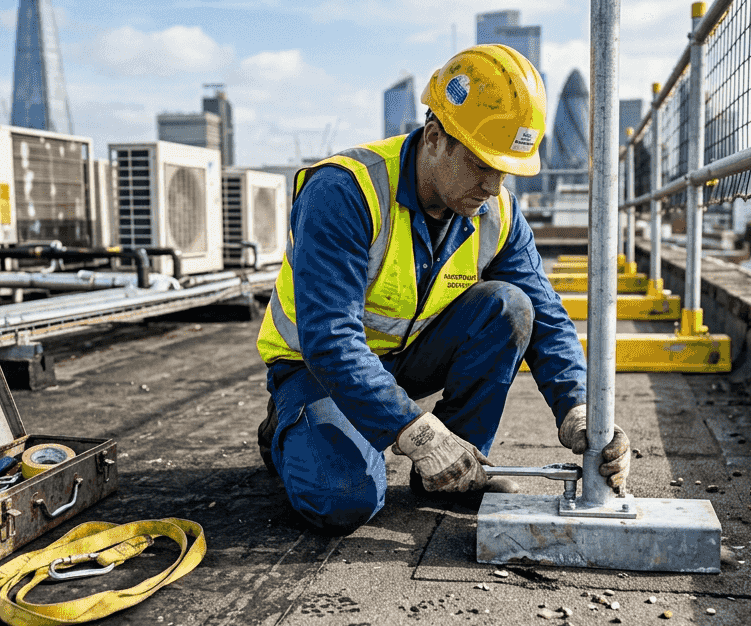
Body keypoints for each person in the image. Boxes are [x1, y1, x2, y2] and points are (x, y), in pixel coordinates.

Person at [256, 44, 631, 533]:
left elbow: (545, 313)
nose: (493, 187)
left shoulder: (495, 211)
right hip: (318, 369)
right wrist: (416, 433)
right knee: (341, 501)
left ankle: (456, 471)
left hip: (408, 357)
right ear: (434, 138)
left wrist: (581, 409)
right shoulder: (346, 192)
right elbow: (328, 338)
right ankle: (287, 428)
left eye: (506, 172)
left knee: (510, 306)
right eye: (481, 165)